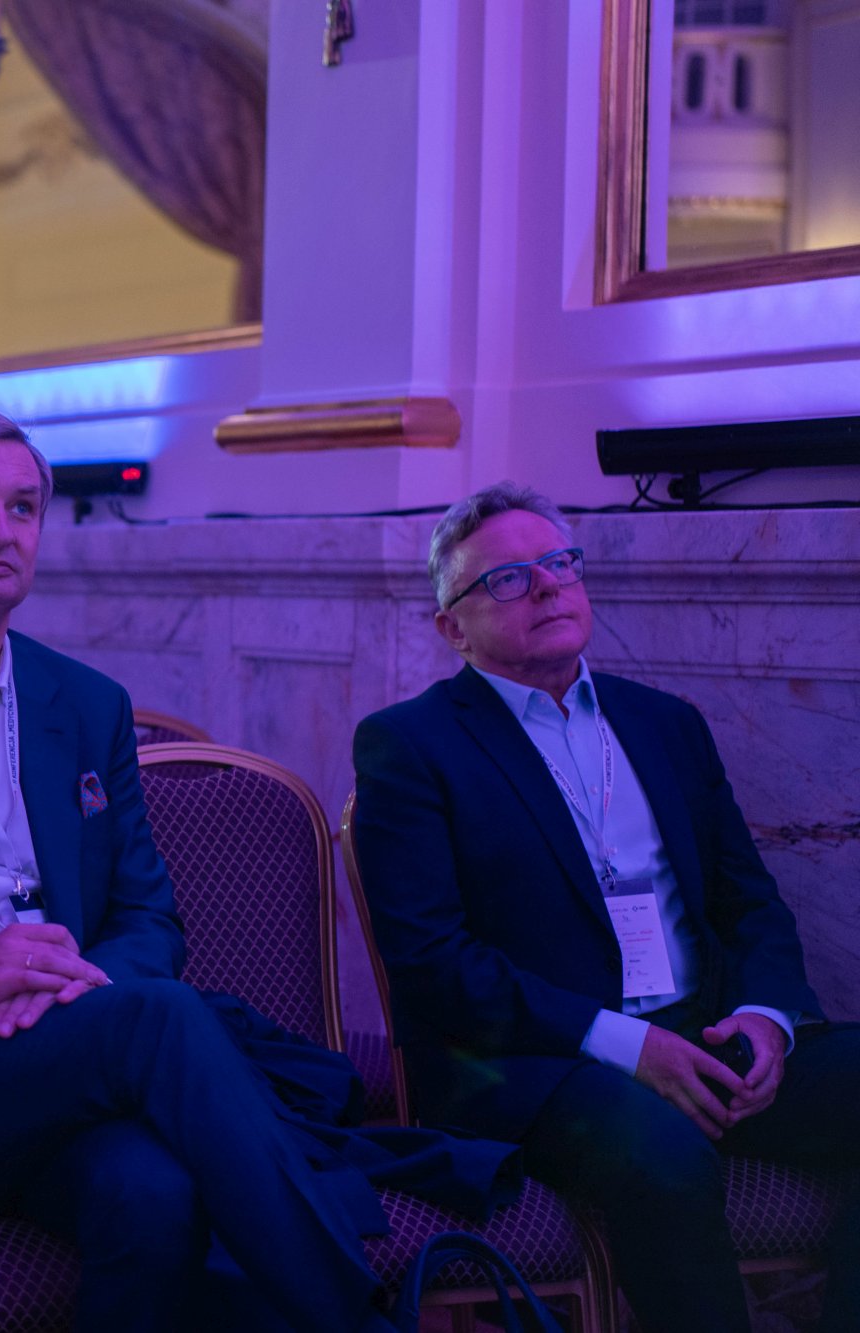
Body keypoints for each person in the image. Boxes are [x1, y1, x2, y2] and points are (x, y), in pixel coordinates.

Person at [0, 408, 400, 1332]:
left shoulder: (85, 702)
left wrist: (70, 988)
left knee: (152, 1193)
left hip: (61, 1049)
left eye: (22, 508)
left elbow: (148, 919)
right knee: (159, 1017)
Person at [351, 482, 860, 1333]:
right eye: (508, 578)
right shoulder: (411, 745)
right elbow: (433, 963)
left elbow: (749, 901)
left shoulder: (665, 723)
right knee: (662, 1151)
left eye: (559, 564)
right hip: (536, 1061)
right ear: (453, 628)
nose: (547, 587)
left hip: (705, 1032)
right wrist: (629, 1045)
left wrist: (767, 1018)